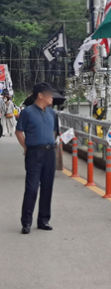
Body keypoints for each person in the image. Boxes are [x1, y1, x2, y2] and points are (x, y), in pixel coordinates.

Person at [15, 82, 64, 234]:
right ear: (40, 95)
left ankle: (44, 220)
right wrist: (26, 147)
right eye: (49, 94)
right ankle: (26, 222)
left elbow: (55, 132)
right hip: (34, 153)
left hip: (49, 152)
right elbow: (19, 132)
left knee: (47, 187)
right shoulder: (27, 112)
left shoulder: (52, 113)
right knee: (31, 187)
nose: (52, 98)